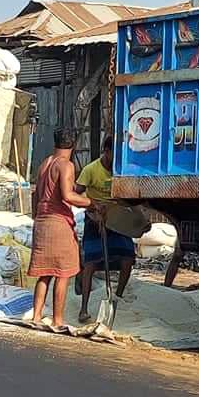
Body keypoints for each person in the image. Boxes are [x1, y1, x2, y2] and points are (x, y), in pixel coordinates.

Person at [26, 127, 90, 332]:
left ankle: (36, 316)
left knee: (44, 274)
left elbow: (35, 196)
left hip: (42, 221)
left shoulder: (45, 163)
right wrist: (93, 203)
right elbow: (68, 196)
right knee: (62, 273)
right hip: (58, 222)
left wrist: (38, 217)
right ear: (73, 145)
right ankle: (57, 320)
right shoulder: (66, 165)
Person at [75, 141, 136, 323]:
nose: (115, 159)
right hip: (95, 218)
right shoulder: (90, 170)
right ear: (106, 151)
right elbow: (75, 194)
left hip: (117, 219)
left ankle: (116, 297)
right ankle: (84, 308)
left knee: (127, 258)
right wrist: (93, 212)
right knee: (91, 263)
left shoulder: (122, 170)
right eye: (113, 154)